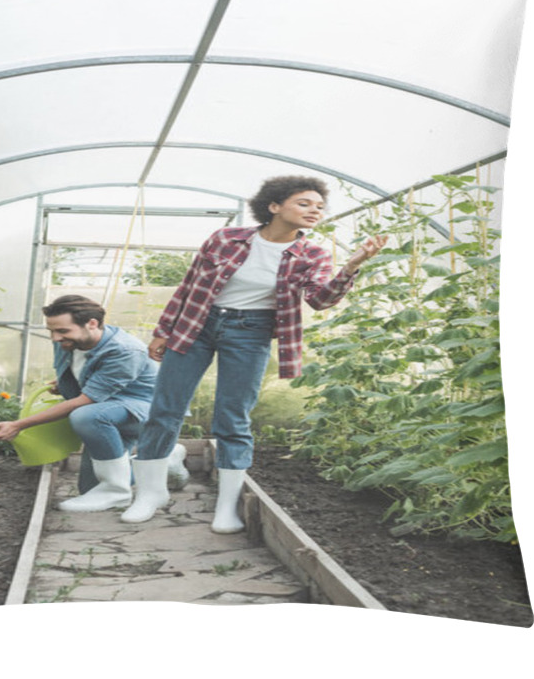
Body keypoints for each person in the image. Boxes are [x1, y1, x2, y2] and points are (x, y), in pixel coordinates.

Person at [120, 175, 387, 532]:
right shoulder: (225, 239)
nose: (314, 211)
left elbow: (320, 300)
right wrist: (162, 330)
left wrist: (352, 265)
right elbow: (189, 286)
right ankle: (150, 494)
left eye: (319, 207)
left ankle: (226, 507)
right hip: (197, 324)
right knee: (165, 410)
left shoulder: (312, 254)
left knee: (233, 418)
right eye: (304, 203)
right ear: (274, 206)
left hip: (251, 332)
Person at [0, 295, 186, 511]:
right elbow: (87, 377)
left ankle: (117, 492)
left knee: (86, 416)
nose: (55, 338)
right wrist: (64, 383)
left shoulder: (124, 350)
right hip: (111, 410)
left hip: (148, 414)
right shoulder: (69, 342)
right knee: (89, 490)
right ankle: (166, 459)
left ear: (92, 324)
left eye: (62, 331)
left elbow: (83, 402)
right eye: (51, 331)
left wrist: (18, 425)